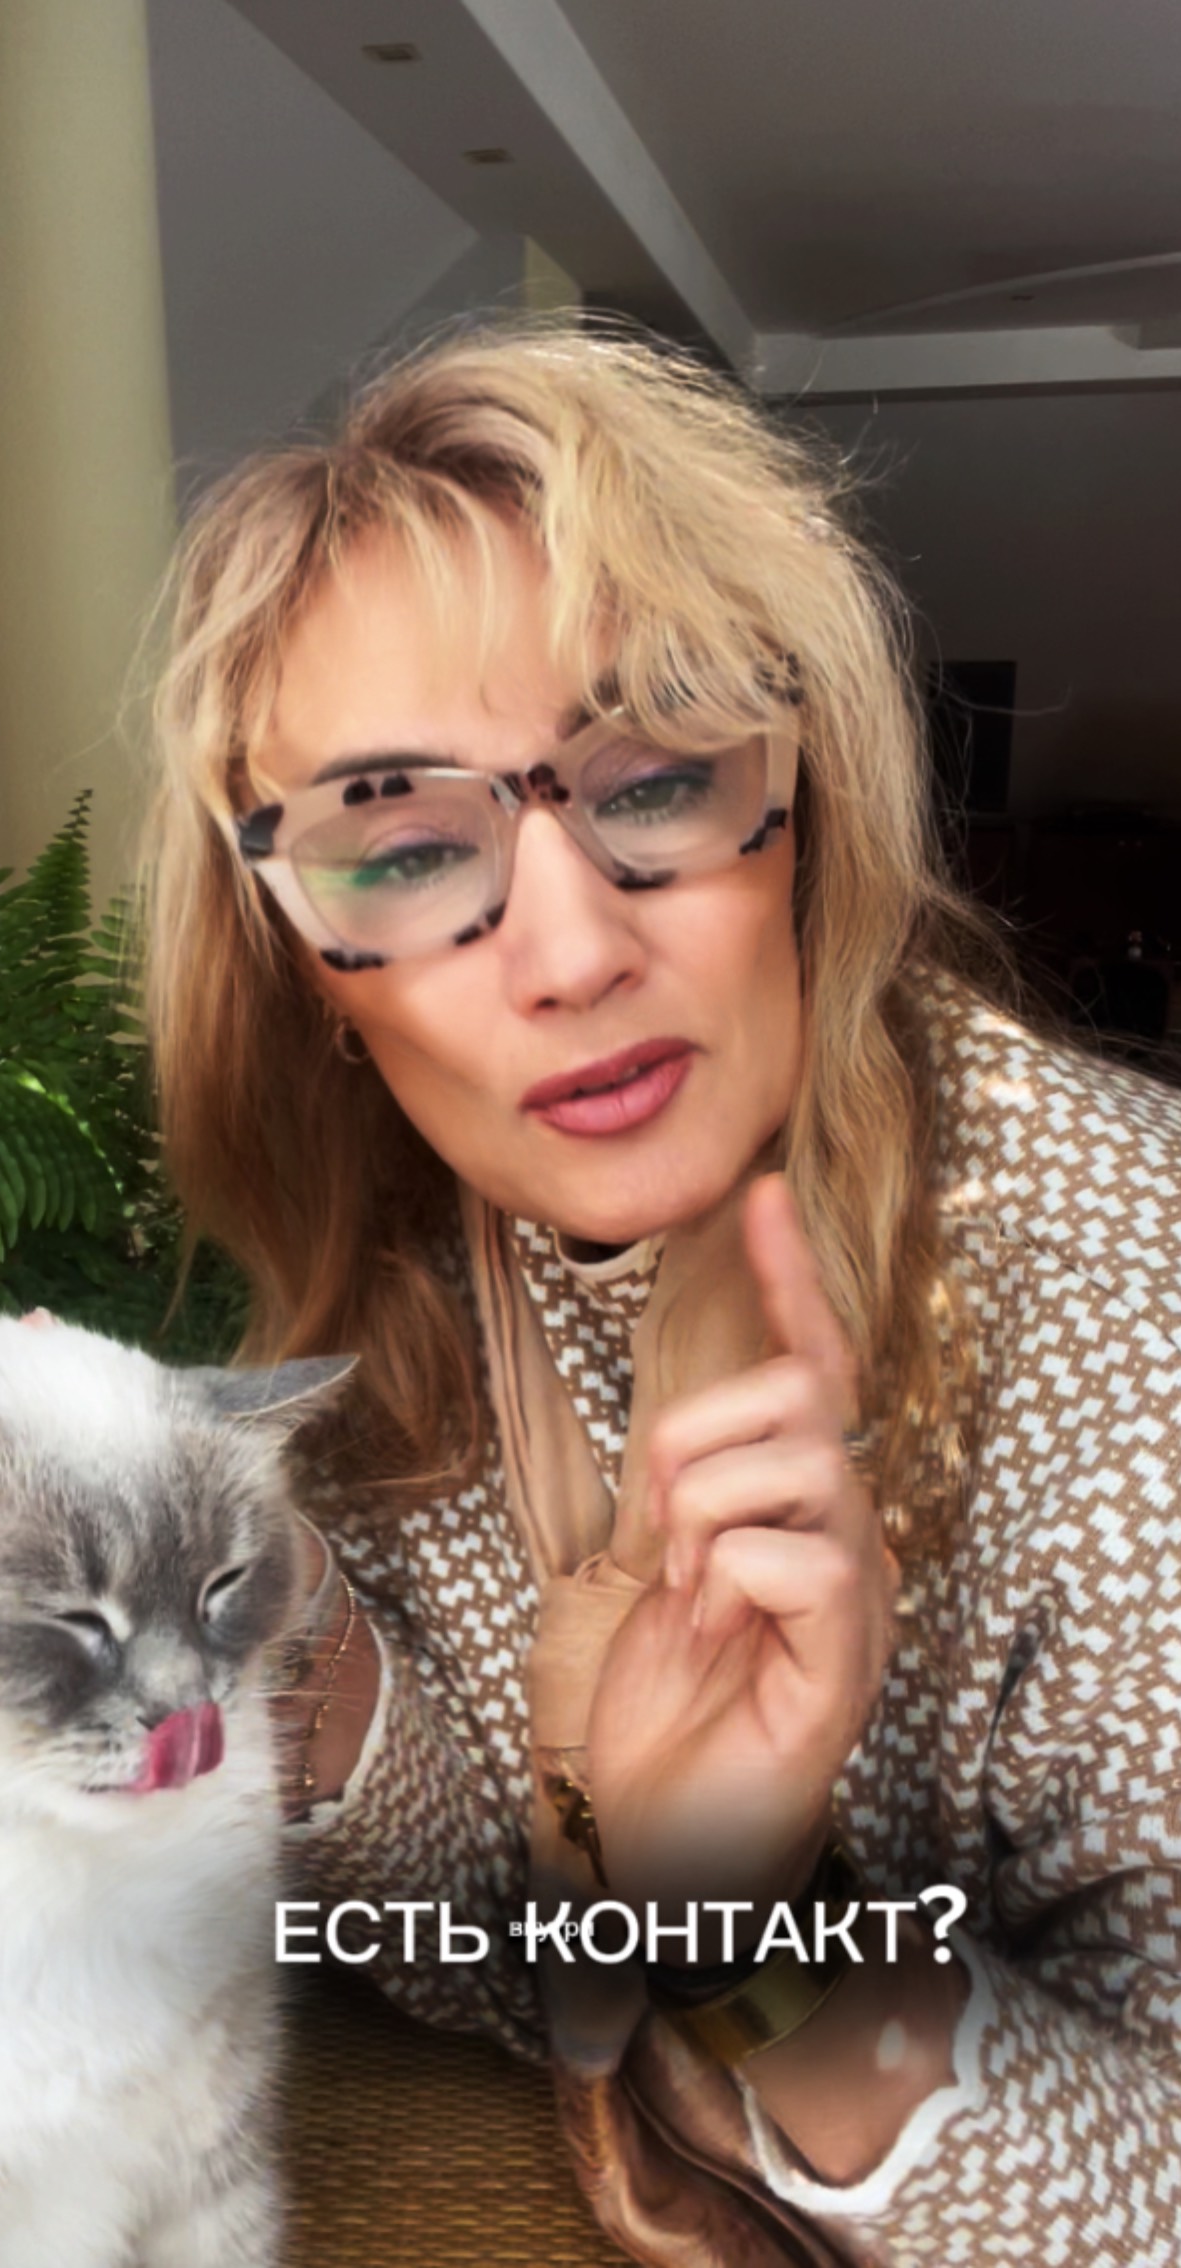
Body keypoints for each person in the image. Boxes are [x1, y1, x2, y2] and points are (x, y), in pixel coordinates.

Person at [144, 321, 1181, 2267]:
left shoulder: (1136, 1329)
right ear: (308, 970)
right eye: (402, 842)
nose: (564, 950)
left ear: (810, 805)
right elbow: (506, 1946)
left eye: (656, 777)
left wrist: (762, 1933)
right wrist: (286, 1634)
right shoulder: (413, 1277)